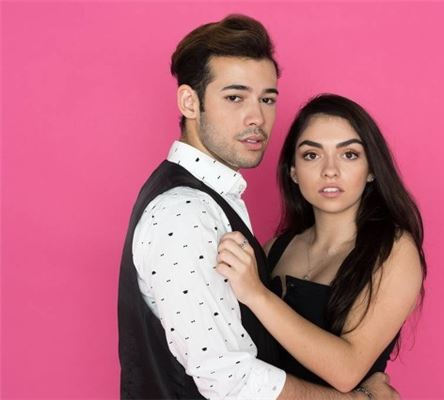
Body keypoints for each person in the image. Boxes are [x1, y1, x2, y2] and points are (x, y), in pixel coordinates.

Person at [117, 15, 398, 400]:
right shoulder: (185, 212)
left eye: (267, 99)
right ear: (189, 102)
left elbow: (265, 343)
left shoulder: (216, 202)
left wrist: (368, 375)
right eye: (235, 97)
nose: (257, 118)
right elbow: (228, 380)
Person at [216, 94, 427, 392]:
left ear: (371, 169)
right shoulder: (275, 249)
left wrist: (257, 294)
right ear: (293, 171)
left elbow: (347, 370)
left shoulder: (393, 250)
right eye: (311, 155)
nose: (330, 170)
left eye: (349, 154)